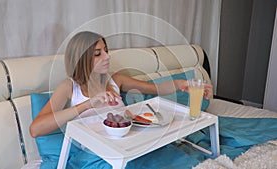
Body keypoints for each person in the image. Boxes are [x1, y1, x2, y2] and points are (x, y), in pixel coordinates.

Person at [29, 31, 212, 169]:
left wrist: (183, 83)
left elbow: (155, 88)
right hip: (98, 154)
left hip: (132, 146)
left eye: (106, 51)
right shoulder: (69, 87)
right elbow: (36, 129)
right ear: (81, 59)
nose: (107, 57)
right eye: (98, 53)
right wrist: (88, 104)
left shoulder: (116, 80)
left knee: (182, 160)